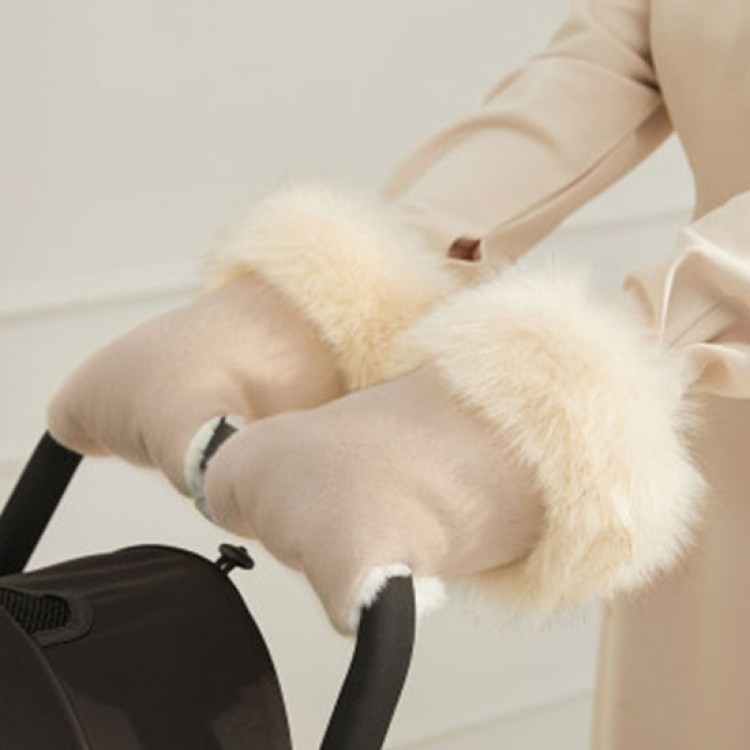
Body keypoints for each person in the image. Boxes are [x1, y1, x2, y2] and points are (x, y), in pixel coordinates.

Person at [47, 1, 750, 747]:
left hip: (688, 385)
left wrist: (548, 408)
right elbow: (599, 69)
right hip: (705, 437)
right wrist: (312, 307)